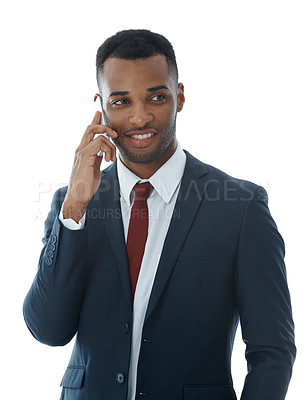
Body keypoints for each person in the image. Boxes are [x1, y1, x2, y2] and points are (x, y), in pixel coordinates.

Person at [23, 29, 296, 400]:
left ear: (179, 96)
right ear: (100, 105)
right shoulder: (72, 207)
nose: (140, 118)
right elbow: (47, 330)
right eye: (120, 102)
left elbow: (272, 351)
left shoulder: (241, 208)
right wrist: (73, 211)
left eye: (156, 97)